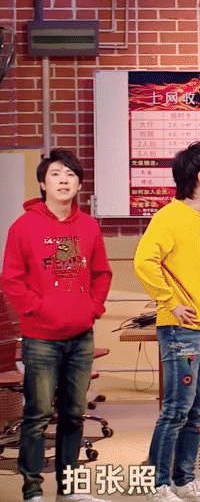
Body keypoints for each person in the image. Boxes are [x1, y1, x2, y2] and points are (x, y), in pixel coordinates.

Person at [2, 150, 113, 502]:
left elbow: (102, 273)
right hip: (41, 338)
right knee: (38, 415)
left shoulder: (89, 226)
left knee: (74, 415)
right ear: (42, 183)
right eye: (55, 174)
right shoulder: (24, 226)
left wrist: (92, 308)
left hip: (81, 336)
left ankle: (70, 488)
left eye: (70, 174)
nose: (63, 180)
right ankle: (32, 489)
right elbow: (11, 279)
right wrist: (38, 309)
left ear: (79, 184)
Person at [134, 142, 200, 502]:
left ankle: (185, 480)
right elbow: (144, 262)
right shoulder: (168, 217)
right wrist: (171, 302)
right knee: (176, 409)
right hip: (181, 331)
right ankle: (157, 484)